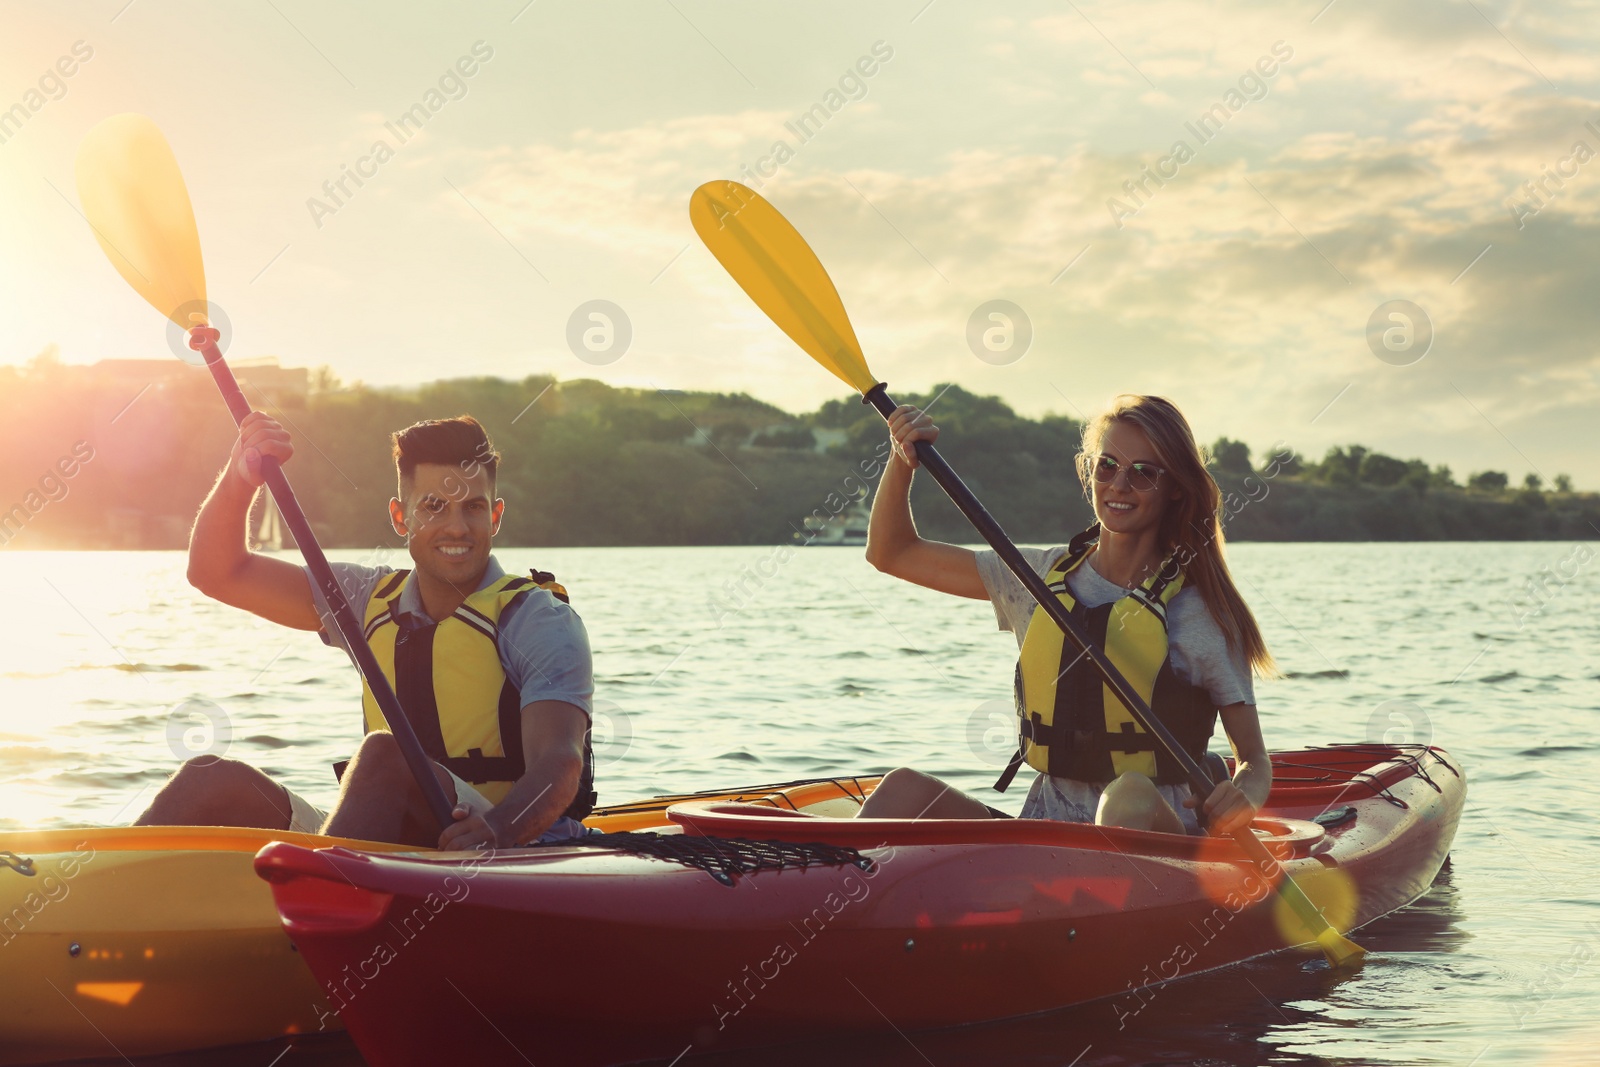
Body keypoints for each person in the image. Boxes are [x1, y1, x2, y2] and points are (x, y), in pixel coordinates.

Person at [136, 413, 595, 850]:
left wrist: (493, 831)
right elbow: (218, 572)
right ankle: (93, 908)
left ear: (495, 517)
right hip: (389, 845)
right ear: (401, 518)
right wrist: (241, 480)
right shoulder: (363, 597)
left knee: (386, 755)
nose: (457, 526)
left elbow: (560, 761)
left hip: (508, 841)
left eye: (472, 507)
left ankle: (314, 906)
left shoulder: (538, 619)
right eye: (434, 507)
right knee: (210, 778)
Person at [858, 394, 1274, 837]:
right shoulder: (1034, 577)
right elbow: (891, 553)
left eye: (1143, 473)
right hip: (1045, 836)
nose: (1119, 485)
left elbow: (1254, 760)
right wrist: (903, 458)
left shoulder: (1200, 615)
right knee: (901, 789)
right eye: (1107, 465)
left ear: (1174, 487)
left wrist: (1243, 794)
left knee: (1128, 793)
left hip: (1159, 845)